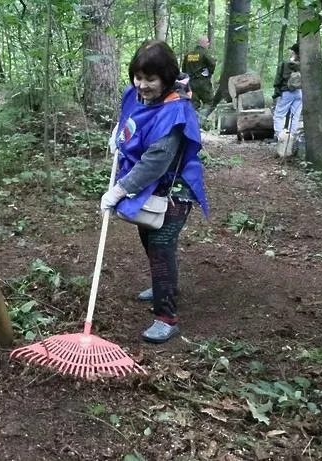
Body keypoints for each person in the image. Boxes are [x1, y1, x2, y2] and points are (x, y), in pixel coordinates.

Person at [100, 40, 209, 344]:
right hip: (151, 186)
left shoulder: (175, 111)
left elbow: (155, 163)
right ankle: (164, 283)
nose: (142, 85)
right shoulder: (137, 95)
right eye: (138, 76)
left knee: (161, 243)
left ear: (167, 77)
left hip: (175, 188)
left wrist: (118, 191)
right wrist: (117, 136)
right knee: (148, 234)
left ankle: (167, 317)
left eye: (151, 79)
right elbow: (129, 116)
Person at [272, 43, 302, 154]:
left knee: (279, 115)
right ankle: (292, 138)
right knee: (295, 116)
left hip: (286, 92)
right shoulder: (303, 64)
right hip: (299, 92)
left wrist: (277, 92)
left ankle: (280, 138)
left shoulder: (285, 63)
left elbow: (278, 79)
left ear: (294, 52)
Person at [182, 36, 216, 110]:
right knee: (209, 102)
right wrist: (210, 72)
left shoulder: (188, 55)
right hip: (203, 82)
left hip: (191, 83)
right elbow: (212, 63)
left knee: (194, 103)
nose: (208, 44)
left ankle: (195, 119)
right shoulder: (204, 53)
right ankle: (202, 118)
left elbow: (183, 70)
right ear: (202, 43)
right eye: (207, 42)